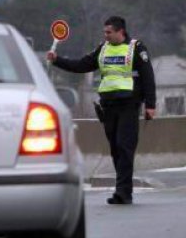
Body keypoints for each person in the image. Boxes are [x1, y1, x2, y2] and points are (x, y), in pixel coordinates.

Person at [47, 16, 156, 205]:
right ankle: (123, 190)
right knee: (115, 148)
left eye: (109, 32)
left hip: (129, 104)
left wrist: (151, 104)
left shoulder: (136, 48)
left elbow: (148, 76)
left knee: (124, 146)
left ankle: (123, 192)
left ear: (120, 31)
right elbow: (82, 65)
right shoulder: (102, 48)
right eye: (104, 32)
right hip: (108, 105)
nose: (105, 35)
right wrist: (57, 61)